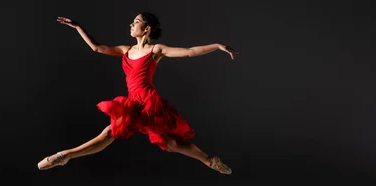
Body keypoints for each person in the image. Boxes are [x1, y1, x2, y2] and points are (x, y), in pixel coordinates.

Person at [37, 12, 239, 175]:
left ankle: (64, 156)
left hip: (149, 102)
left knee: (168, 143)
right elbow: (97, 48)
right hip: (133, 102)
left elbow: (189, 51)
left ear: (147, 28)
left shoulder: (155, 50)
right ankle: (210, 160)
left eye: (136, 22)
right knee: (164, 142)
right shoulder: (126, 50)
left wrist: (217, 46)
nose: (131, 25)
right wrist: (78, 26)